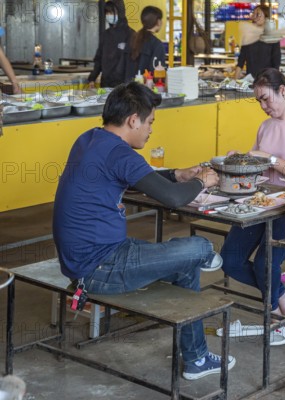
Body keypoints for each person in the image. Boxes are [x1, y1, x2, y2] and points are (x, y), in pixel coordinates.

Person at [52, 82, 235, 380]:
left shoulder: (90, 139)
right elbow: (174, 199)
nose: (150, 130)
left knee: (186, 265)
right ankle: (206, 259)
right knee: (199, 246)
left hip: (89, 260)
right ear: (133, 120)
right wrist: (202, 181)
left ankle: (197, 359)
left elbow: (141, 179)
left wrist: (178, 174)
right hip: (100, 268)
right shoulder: (121, 154)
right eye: (150, 122)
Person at [220, 68, 285, 342]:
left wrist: (271, 159)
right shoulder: (265, 127)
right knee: (229, 261)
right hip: (259, 203)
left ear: (282, 91)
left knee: (265, 264)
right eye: (259, 102)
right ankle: (280, 293)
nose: (263, 107)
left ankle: (280, 312)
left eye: (266, 99)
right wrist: (241, 159)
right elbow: (257, 166)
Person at [88, 0, 134, 88]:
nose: (109, 15)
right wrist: (92, 78)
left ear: (120, 12)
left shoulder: (131, 35)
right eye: (107, 13)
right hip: (105, 84)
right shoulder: (105, 35)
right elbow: (99, 58)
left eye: (112, 12)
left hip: (124, 86)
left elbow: (132, 63)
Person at [235, 5, 281, 79]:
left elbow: (276, 64)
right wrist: (234, 81)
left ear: (266, 17)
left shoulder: (273, 37)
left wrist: (273, 82)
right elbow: (240, 62)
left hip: (266, 80)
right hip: (250, 81)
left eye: (258, 14)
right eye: (253, 14)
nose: (254, 16)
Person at [125, 6, 166, 81]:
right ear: (158, 22)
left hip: (127, 88)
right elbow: (157, 75)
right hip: (144, 90)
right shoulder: (156, 44)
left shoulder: (132, 39)